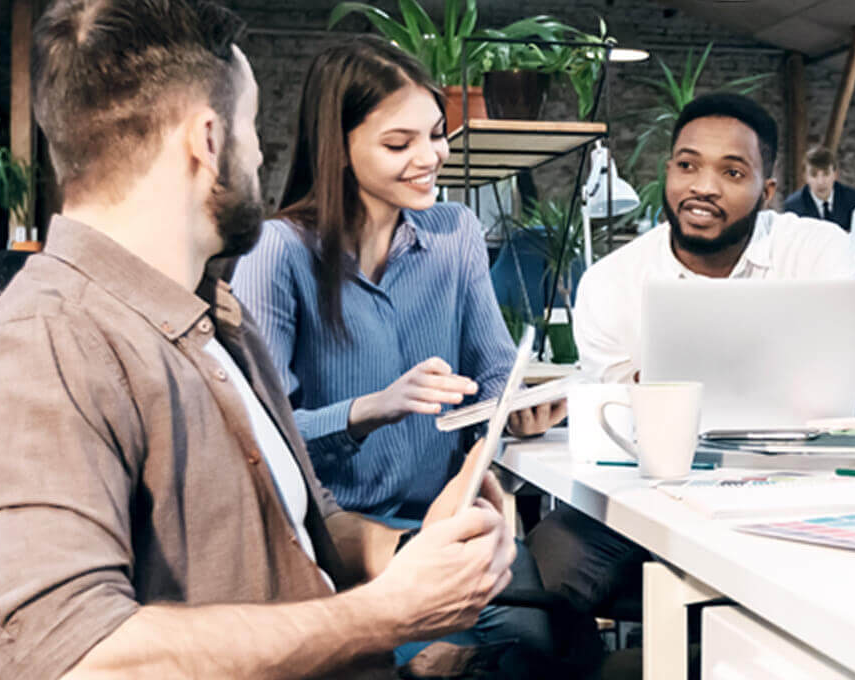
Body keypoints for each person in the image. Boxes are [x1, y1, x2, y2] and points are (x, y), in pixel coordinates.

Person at [0, 0, 518, 677]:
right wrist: (384, 614)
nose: (260, 152)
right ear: (207, 140)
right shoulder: (38, 352)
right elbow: (66, 660)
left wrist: (413, 554)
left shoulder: (211, 319)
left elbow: (302, 526)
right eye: (251, 126)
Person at [229, 40, 638, 679]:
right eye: (399, 145)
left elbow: (495, 370)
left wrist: (515, 410)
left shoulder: (454, 235)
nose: (430, 159)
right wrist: (371, 409)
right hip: (333, 540)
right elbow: (258, 438)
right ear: (339, 146)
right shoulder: (278, 254)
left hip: (447, 525)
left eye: (437, 135)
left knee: (551, 648)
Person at [572, 93, 855, 414]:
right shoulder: (609, 284)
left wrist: (674, 385)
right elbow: (615, 414)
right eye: (687, 165)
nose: (704, 188)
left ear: (766, 193)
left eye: (732, 172)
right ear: (669, 171)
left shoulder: (814, 251)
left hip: (800, 462)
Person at [781, 145, 855, 230]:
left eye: (826, 174)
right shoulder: (793, 206)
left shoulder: (851, 198)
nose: (820, 182)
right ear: (805, 177)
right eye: (814, 175)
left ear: (835, 174)